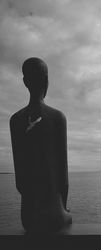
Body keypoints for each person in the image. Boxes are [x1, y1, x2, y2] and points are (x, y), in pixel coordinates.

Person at [10, 57, 72, 233]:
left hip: (28, 217)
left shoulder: (15, 120)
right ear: (47, 80)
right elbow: (64, 181)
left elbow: (20, 182)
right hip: (54, 215)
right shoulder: (57, 117)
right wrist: (64, 208)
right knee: (67, 217)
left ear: (25, 82)